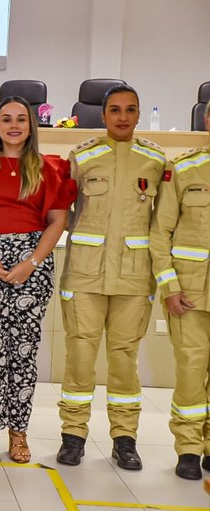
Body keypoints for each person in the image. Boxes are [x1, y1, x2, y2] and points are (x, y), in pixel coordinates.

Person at [0, 96, 75, 465]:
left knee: (23, 353)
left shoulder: (51, 169)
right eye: (6, 119)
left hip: (32, 263)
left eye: (21, 119)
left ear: (31, 126)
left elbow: (58, 220)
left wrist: (32, 261)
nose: (13, 125)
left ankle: (19, 433)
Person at [56, 84, 166, 470]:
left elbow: (161, 222)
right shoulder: (83, 157)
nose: (122, 117)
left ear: (138, 115)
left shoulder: (154, 161)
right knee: (80, 359)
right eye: (115, 110)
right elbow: (60, 212)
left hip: (134, 280)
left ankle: (124, 439)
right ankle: (73, 436)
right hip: (84, 276)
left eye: (130, 110)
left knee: (124, 361)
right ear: (102, 116)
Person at [149, 101, 210, 480]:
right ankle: (188, 448)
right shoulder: (183, 168)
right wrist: (169, 286)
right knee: (190, 372)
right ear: (207, 119)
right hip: (190, 294)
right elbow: (160, 235)